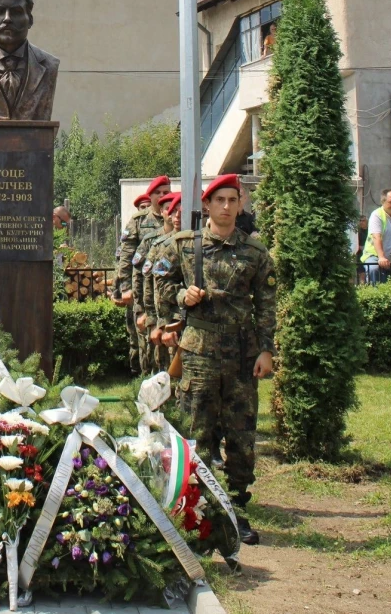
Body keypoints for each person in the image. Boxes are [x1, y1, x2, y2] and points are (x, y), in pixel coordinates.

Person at [156, 174, 276, 546]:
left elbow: (266, 306)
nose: (226, 206)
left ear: (240, 205)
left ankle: (236, 508)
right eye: (219, 199)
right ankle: (200, 510)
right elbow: (160, 286)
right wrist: (181, 297)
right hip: (199, 353)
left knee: (241, 437)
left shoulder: (256, 253)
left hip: (242, 356)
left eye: (232, 200)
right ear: (206, 204)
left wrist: (267, 349)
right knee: (198, 431)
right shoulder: (183, 246)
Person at [117, 175, 171, 375]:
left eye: (167, 192)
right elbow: (127, 256)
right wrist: (126, 288)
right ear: (151, 195)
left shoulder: (175, 217)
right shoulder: (139, 220)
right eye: (159, 193)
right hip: (142, 285)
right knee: (143, 339)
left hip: (165, 289)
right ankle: (143, 378)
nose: (163, 196)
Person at [360, 189, 391, 284]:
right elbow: (376, 237)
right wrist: (381, 257)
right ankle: (375, 296)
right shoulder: (377, 215)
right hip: (374, 255)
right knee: (374, 269)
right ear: (383, 202)